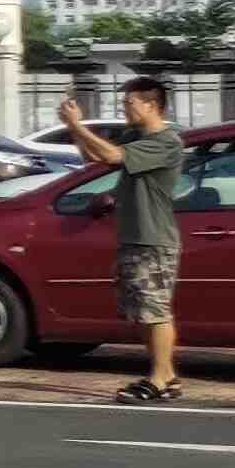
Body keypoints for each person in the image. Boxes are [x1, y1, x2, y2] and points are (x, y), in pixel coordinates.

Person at [65, 76, 191, 403]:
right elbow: (95, 157)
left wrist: (78, 125)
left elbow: (112, 156)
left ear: (152, 105)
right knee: (142, 312)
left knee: (156, 310)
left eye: (129, 103)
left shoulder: (166, 141)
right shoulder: (137, 137)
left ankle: (159, 378)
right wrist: (73, 128)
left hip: (153, 239)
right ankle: (167, 376)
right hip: (134, 237)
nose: (124, 108)